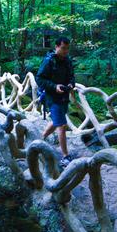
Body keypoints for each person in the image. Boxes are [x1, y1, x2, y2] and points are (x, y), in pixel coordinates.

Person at [36, 36, 75, 167]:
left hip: (64, 96)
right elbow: (39, 79)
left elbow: (72, 77)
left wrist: (70, 85)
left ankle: (40, 139)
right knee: (62, 125)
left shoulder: (67, 61)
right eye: (63, 48)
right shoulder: (49, 61)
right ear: (56, 47)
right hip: (52, 97)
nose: (65, 51)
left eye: (67, 49)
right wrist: (54, 86)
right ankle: (65, 156)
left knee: (56, 121)